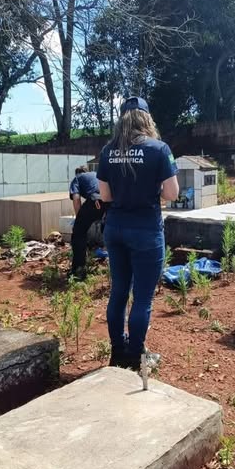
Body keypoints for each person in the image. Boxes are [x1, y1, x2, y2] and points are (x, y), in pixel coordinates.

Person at [96, 96, 179, 370]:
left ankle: (117, 353)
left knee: (118, 292)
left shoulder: (108, 151)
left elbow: (105, 195)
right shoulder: (159, 149)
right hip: (146, 231)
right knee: (142, 298)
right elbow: (172, 193)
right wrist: (149, 189)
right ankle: (135, 357)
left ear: (122, 119)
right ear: (146, 118)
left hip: (115, 229)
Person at [69, 165, 105, 279]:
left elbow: (76, 198)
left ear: (77, 173)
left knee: (78, 234)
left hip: (95, 200)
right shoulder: (95, 175)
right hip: (110, 201)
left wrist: (79, 219)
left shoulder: (77, 178)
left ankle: (78, 270)